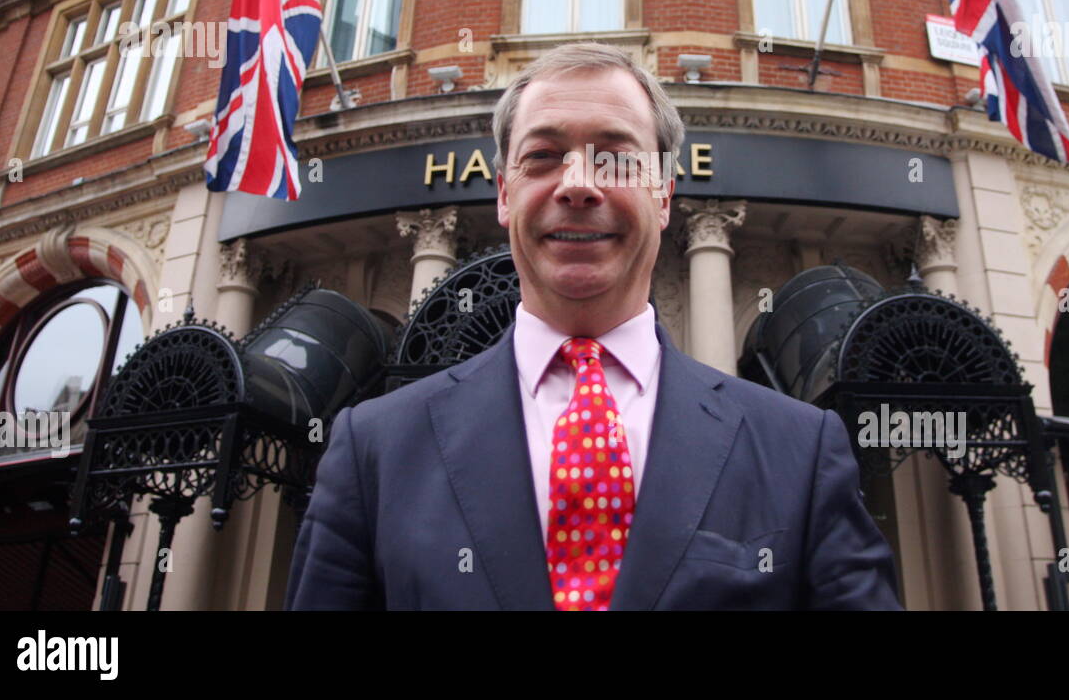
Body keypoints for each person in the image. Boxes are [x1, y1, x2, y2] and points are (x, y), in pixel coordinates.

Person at [285, 42, 902, 610]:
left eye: (615, 157)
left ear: (663, 193)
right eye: (544, 157)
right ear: (504, 194)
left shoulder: (800, 448)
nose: (578, 185)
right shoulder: (373, 448)